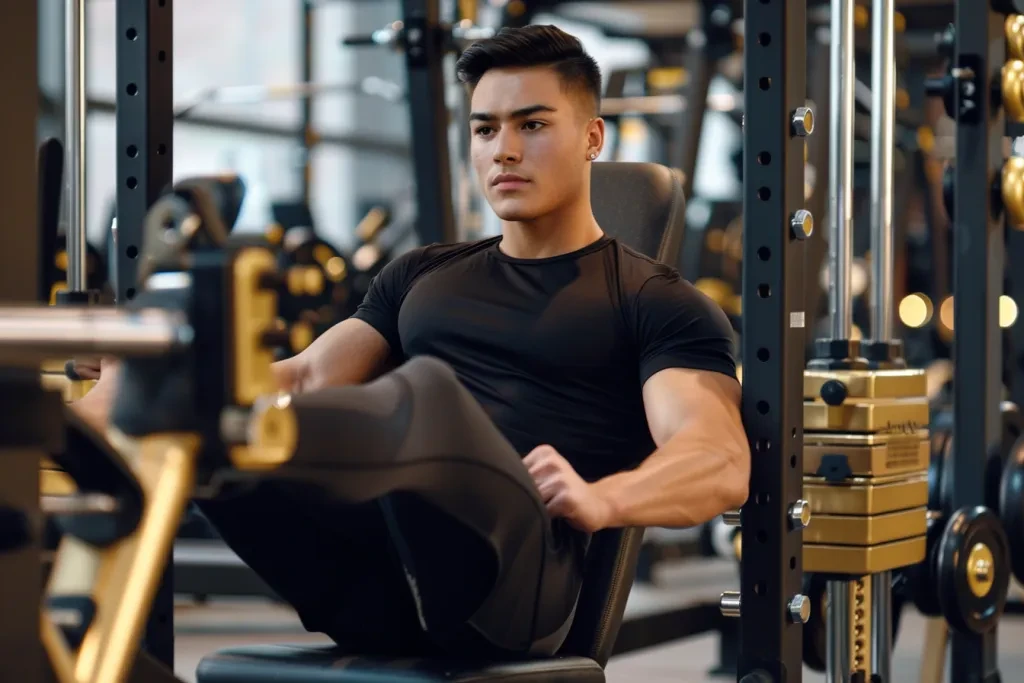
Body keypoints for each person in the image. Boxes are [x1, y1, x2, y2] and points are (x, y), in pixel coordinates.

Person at [72, 25, 750, 661]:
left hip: (513, 593)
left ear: (592, 137)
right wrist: (155, 384)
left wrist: (605, 499)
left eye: (533, 124)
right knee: (201, 411)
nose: (503, 149)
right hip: (373, 587)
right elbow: (308, 376)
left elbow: (717, 458)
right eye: (485, 129)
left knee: (424, 392)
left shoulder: (654, 301)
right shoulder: (422, 272)